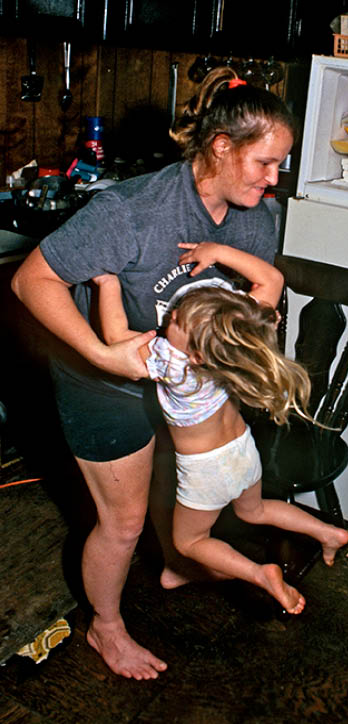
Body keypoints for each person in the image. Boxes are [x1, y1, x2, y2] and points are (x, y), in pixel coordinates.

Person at [11, 67, 297, 680]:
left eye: (280, 164)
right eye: (265, 163)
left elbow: (249, 303)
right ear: (222, 146)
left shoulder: (257, 217)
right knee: (124, 520)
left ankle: (177, 561)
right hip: (105, 380)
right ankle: (104, 629)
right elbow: (30, 279)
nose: (275, 179)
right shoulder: (133, 210)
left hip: (182, 381)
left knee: (185, 477)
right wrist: (99, 353)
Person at [94, 241, 348, 615]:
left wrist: (107, 283)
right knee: (256, 510)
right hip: (243, 452)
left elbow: (116, 337)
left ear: (197, 355)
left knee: (190, 541)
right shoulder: (237, 344)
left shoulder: (174, 364)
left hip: (205, 471)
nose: (173, 314)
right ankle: (328, 532)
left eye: (179, 321)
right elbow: (271, 279)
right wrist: (217, 252)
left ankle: (260, 573)